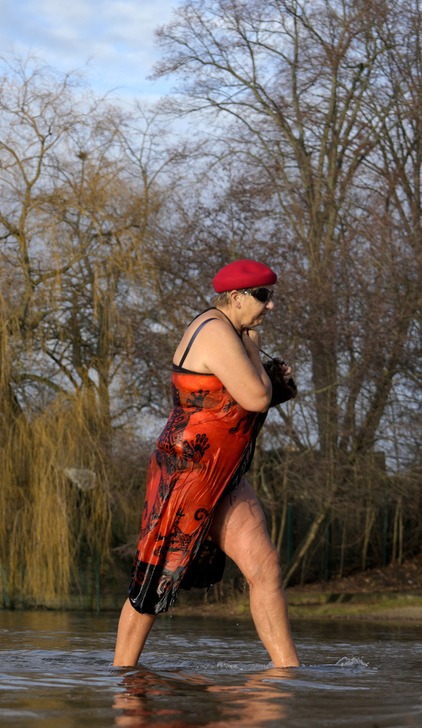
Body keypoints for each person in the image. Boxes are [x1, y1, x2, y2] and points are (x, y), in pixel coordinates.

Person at [114, 259, 300, 668]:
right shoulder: (216, 331)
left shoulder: (231, 331)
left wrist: (272, 381)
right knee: (157, 575)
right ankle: (122, 676)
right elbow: (253, 398)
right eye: (263, 297)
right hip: (188, 473)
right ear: (235, 298)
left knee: (264, 566)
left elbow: (229, 402)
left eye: (271, 296)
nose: (269, 306)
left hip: (222, 474)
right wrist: (257, 360)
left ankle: (289, 672)